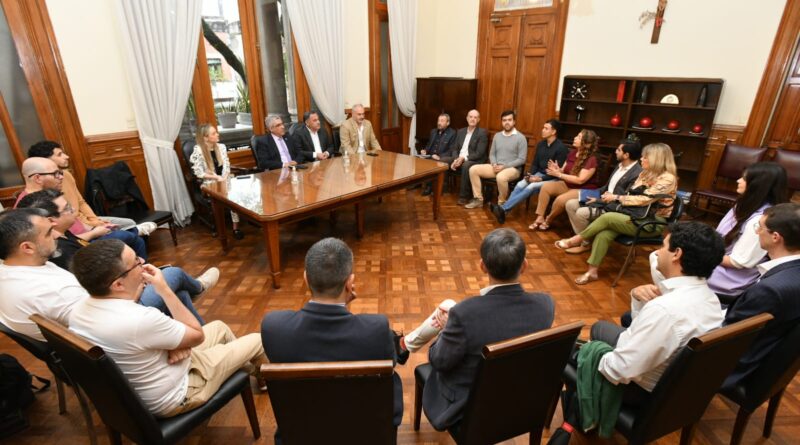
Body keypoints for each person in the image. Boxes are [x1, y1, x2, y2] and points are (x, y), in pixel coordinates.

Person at [68, 239, 265, 417]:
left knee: (219, 327)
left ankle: (253, 372)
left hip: (148, 384)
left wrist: (175, 346)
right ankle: (269, 378)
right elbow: (197, 336)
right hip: (179, 393)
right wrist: (163, 289)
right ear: (118, 284)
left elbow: (135, 336)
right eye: (136, 262)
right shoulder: (141, 319)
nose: (142, 261)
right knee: (258, 340)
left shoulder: (78, 312)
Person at [0, 209, 214, 341]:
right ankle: (197, 302)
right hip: (108, 337)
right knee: (172, 275)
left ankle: (194, 338)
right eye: (48, 233)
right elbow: (109, 322)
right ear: (27, 247)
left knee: (178, 293)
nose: (57, 234)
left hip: (91, 331)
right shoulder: (55, 292)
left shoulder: (12, 270)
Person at [576, 222, 724, 413]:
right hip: (673, 385)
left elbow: (620, 370)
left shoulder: (666, 309)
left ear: (676, 254)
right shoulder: (711, 299)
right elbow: (642, 331)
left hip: (642, 391)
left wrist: (589, 354)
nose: (657, 252)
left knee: (571, 352)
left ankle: (581, 411)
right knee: (600, 328)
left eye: (663, 246)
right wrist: (638, 298)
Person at [418, 228, 555, 430]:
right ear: (524, 265)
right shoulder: (546, 304)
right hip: (522, 397)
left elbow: (439, 361)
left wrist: (446, 330)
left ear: (482, 266)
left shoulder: (464, 313)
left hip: (469, 406)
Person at [261, 238, 404, 427]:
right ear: (349, 283)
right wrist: (342, 305)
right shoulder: (376, 329)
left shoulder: (273, 328)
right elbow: (392, 360)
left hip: (303, 431)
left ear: (305, 279)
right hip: (364, 430)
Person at [649, 162, 788, 302]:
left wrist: (697, 252)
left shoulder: (760, 220)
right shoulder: (744, 205)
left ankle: (674, 300)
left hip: (730, 278)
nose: (738, 180)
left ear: (757, 185)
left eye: (744, 178)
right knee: (660, 256)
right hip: (719, 261)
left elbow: (738, 262)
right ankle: (673, 298)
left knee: (660, 258)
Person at [555, 143, 677, 285]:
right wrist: (613, 197)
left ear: (657, 159)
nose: (641, 159)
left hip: (650, 223)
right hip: (634, 214)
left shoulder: (668, 178)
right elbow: (631, 194)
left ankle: (576, 240)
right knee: (604, 234)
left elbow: (644, 199)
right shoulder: (645, 173)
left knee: (607, 217)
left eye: (645, 157)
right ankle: (592, 272)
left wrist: (617, 197)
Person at [722, 203, 800, 387]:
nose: (757, 232)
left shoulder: (770, 290)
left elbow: (727, 337)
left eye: (760, 227)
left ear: (775, 237)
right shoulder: (788, 274)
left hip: (732, 364)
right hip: (763, 348)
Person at [15, 157, 149, 260]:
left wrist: (96, 225)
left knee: (132, 237)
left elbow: (77, 216)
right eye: (55, 174)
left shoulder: (51, 195)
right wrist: (94, 233)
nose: (61, 177)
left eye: (60, 172)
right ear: (38, 178)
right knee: (129, 237)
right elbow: (57, 243)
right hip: (77, 247)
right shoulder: (31, 208)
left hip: (83, 236)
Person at [27, 140, 154, 236]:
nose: (66, 156)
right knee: (126, 231)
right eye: (60, 154)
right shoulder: (45, 186)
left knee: (129, 223)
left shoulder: (67, 175)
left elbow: (81, 202)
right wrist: (95, 226)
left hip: (87, 220)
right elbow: (69, 219)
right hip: (76, 226)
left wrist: (96, 221)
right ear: (45, 161)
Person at [563, 139, 643, 250]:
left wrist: (598, 200)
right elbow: (607, 187)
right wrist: (590, 194)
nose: (615, 151)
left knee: (582, 213)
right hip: (603, 200)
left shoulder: (637, 174)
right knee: (570, 204)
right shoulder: (619, 166)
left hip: (614, 208)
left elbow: (624, 198)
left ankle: (584, 244)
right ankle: (586, 240)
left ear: (626, 155)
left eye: (618, 150)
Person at [489, 119, 567, 223]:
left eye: (546, 128)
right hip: (538, 174)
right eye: (543, 128)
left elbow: (557, 173)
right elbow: (535, 163)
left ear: (553, 132)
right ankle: (503, 211)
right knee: (520, 184)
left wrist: (540, 179)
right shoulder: (541, 144)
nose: (543, 130)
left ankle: (503, 209)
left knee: (531, 186)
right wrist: (530, 174)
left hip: (552, 178)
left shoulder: (561, 148)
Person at [527, 129, 599, 231]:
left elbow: (580, 180)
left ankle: (548, 220)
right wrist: (557, 169)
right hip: (568, 184)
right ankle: (540, 217)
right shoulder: (573, 153)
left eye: (579, 137)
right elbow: (564, 170)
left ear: (586, 143)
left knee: (560, 200)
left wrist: (559, 174)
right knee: (546, 187)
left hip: (582, 189)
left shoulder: (591, 159)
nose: (575, 138)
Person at [464, 110, 527, 209]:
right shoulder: (497, 136)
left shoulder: (521, 138)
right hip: (496, 166)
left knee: (501, 177)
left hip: (512, 169)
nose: (507, 122)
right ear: (501, 122)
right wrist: (494, 164)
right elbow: (492, 154)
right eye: (504, 120)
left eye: (509, 120)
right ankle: (478, 199)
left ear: (514, 122)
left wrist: (504, 167)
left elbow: (522, 159)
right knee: (473, 169)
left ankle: (502, 204)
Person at [190, 124, 242, 239]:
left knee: (235, 195)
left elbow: (227, 166)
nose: (217, 134)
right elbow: (199, 173)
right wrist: (217, 178)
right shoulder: (198, 151)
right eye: (213, 133)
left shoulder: (221, 147)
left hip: (225, 179)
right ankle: (221, 230)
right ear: (205, 137)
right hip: (210, 183)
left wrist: (224, 178)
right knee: (225, 197)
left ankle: (236, 228)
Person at [451, 110, 489, 205]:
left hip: (474, 159)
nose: (472, 119)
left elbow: (479, 153)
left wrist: (463, 158)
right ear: (467, 118)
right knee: (443, 161)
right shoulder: (460, 131)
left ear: (478, 120)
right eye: (471, 117)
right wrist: (456, 159)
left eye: (475, 117)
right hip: (459, 158)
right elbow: (454, 148)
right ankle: (443, 188)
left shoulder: (482, 133)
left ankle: (464, 196)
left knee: (466, 165)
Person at [419, 113, 456, 196]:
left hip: (441, 156)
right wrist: (425, 151)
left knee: (433, 162)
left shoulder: (452, 133)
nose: (439, 123)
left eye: (442, 121)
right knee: (417, 159)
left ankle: (430, 187)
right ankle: (417, 184)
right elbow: (429, 144)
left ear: (448, 123)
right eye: (438, 121)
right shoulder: (433, 131)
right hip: (430, 155)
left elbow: (451, 149)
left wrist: (440, 157)